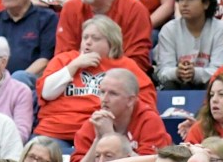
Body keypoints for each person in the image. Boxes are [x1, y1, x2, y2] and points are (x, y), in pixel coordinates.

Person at [38, 15, 156, 147]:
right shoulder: (64, 60)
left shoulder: (126, 66)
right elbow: (46, 93)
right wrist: (73, 66)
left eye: (95, 38)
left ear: (111, 43)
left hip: (101, 132)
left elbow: (144, 102)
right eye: (85, 37)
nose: (88, 42)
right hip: (56, 132)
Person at [68, 68, 171, 162]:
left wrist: (110, 136)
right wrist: (98, 140)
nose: (104, 99)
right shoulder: (96, 122)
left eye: (113, 94)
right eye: (102, 92)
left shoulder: (148, 120)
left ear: (130, 101)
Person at [56, 0, 154, 72]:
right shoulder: (71, 8)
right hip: (78, 76)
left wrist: (102, 74)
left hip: (120, 79)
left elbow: (138, 61)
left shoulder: (135, 10)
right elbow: (62, 56)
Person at [156, 0, 223, 90]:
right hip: (179, 85)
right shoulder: (169, 30)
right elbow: (163, 71)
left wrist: (195, 73)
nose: (184, 4)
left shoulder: (222, 29)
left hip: (210, 87)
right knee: (169, 85)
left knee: (217, 84)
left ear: (206, 3)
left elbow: (222, 71)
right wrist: (176, 72)